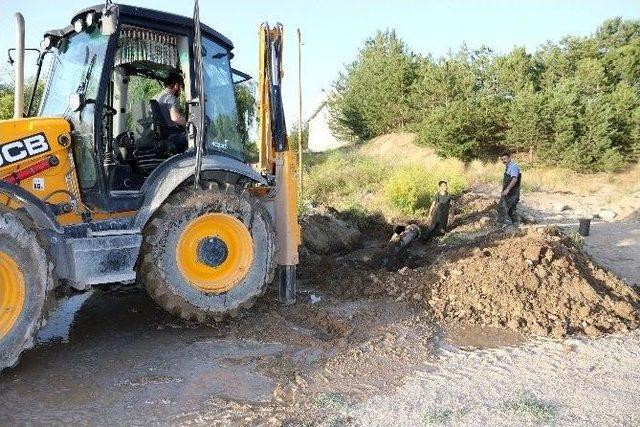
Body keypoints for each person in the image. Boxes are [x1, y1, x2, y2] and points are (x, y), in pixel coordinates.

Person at [498, 152, 521, 228]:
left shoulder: (513, 166)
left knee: (504, 207)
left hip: (512, 192)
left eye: (505, 159)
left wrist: (507, 189)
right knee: (510, 209)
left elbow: (514, 179)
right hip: (509, 191)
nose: (504, 161)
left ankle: (503, 224)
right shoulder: (508, 167)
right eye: (502, 159)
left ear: (509, 158)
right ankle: (515, 225)